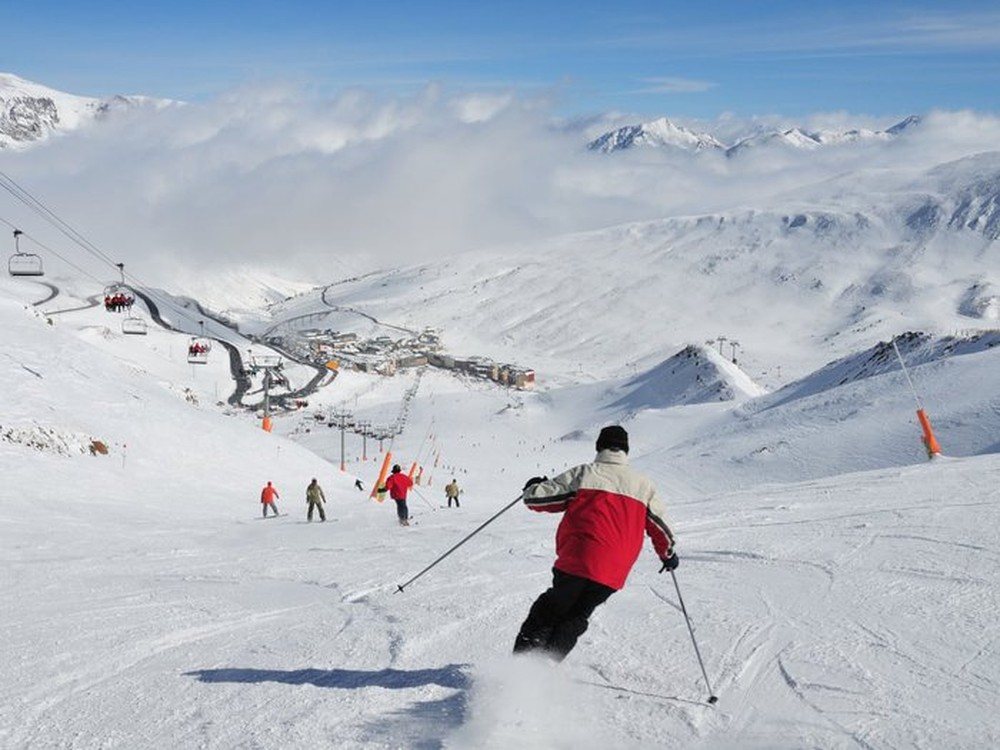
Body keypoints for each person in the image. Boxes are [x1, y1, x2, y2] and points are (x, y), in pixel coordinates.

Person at [512, 425, 677, 662]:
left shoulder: (586, 473)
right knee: (577, 614)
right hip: (614, 571)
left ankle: (522, 667)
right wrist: (667, 554)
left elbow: (538, 499)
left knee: (551, 608)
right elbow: (659, 526)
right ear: (626, 451)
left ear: (599, 446)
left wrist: (532, 487)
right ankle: (546, 667)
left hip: (579, 559)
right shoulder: (644, 485)